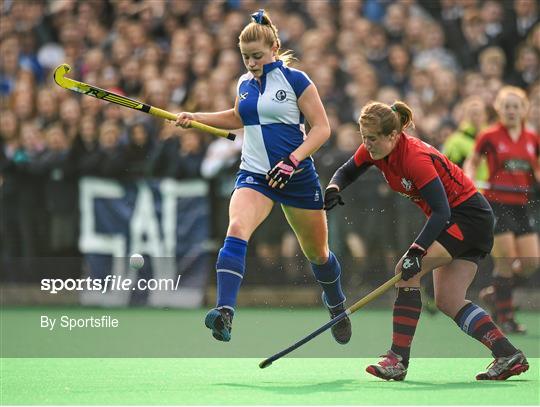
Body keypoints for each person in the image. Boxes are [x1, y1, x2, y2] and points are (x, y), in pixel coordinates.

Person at [175, 9, 351, 344]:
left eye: (257, 56)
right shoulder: (243, 83)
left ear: (273, 48)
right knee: (237, 229)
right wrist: (194, 116)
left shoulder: (296, 80)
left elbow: (323, 128)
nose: (252, 63)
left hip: (296, 178)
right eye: (245, 58)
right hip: (254, 175)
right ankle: (225, 313)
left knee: (319, 254)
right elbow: (237, 117)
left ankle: (336, 303)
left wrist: (292, 160)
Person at [325, 100, 529, 381]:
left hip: (467, 218)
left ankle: (397, 359)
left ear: (393, 136)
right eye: (363, 138)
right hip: (460, 219)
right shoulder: (375, 148)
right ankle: (508, 354)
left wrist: (416, 251)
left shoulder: (415, 158)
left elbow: (442, 210)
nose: (367, 145)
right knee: (448, 300)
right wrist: (334, 187)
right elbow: (347, 170)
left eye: (372, 139)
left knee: (405, 271)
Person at [464, 86, 539, 334]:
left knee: (530, 261)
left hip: (521, 204)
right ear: (499, 109)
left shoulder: (532, 138)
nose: (511, 111)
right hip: (496, 203)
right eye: (506, 106)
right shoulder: (489, 135)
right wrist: (470, 178)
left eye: (516, 106)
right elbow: (472, 162)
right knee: (505, 258)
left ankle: (496, 292)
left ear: (524, 110)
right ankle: (506, 317)